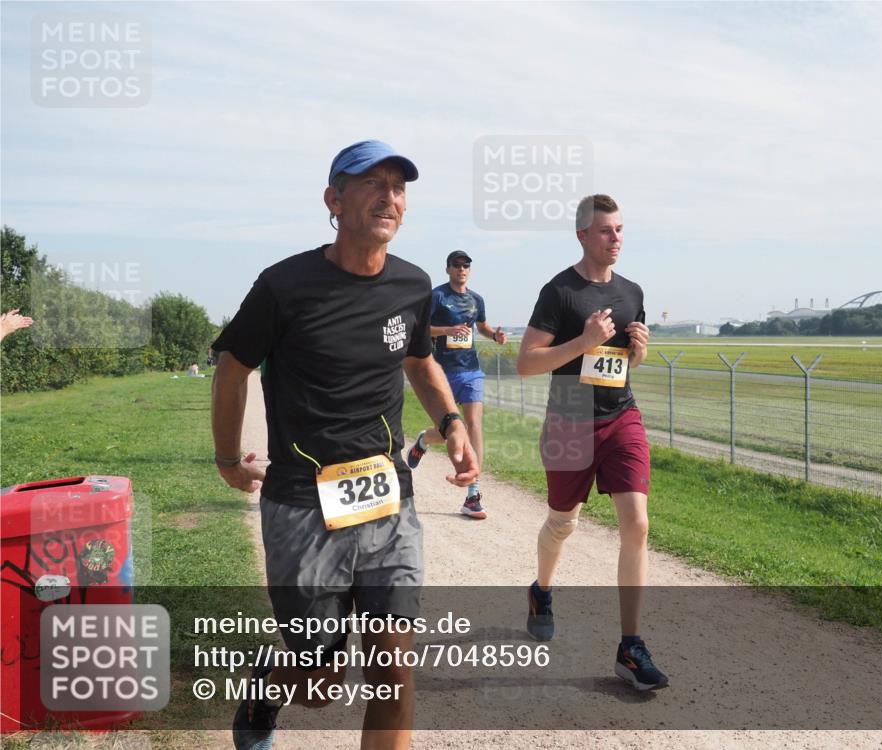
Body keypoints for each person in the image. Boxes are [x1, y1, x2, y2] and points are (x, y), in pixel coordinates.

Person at [211, 140, 479, 750]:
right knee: (320, 679)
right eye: (372, 183)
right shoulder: (284, 286)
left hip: (388, 500)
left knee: (392, 670)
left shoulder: (413, 286)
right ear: (334, 199)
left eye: (399, 187)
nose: (390, 197)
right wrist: (228, 460)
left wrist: (452, 421)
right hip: (304, 503)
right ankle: (269, 688)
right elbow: (232, 368)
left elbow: (420, 361)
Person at [516, 194, 667, 691]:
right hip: (568, 419)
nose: (616, 238)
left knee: (637, 523)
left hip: (621, 416)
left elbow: (621, 365)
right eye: (606, 231)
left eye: (620, 229)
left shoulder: (632, 292)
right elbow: (527, 362)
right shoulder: (558, 291)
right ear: (582, 235)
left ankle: (631, 645)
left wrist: (638, 354)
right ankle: (542, 589)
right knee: (562, 523)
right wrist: (582, 341)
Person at [405, 250, 506, 519]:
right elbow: (421, 328)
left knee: (473, 427)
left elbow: (481, 326)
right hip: (443, 373)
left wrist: (494, 334)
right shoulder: (437, 296)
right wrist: (446, 331)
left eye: (466, 266)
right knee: (451, 429)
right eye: (457, 265)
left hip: (471, 371)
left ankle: (473, 494)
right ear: (448, 269)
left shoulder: (476, 299)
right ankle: (425, 439)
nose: (462, 269)